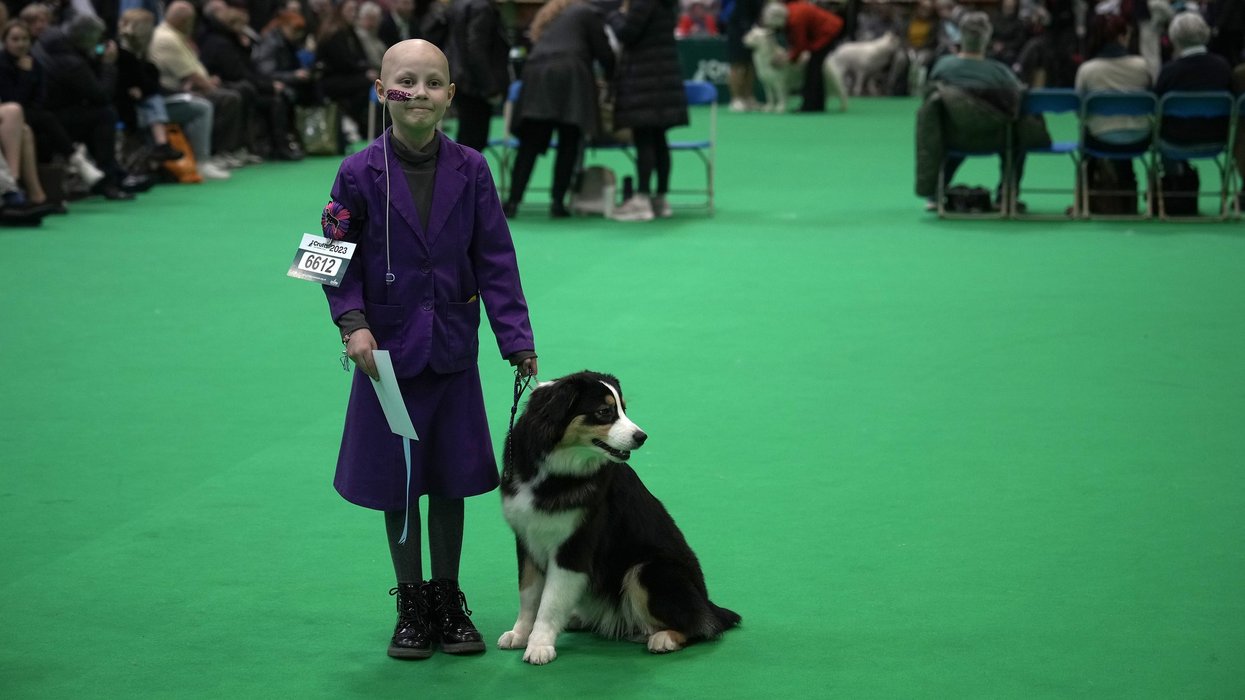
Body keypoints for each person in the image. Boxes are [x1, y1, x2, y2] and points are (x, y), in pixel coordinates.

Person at [320, 38, 537, 660]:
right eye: (405, 81)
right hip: (383, 357)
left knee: (449, 479)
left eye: (433, 82)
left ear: (450, 95)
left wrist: (516, 338)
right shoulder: (356, 172)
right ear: (380, 89)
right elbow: (333, 260)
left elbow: (496, 259)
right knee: (399, 482)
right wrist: (352, 323)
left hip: (452, 353)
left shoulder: (473, 169)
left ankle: (448, 597)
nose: (418, 92)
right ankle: (410, 601)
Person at [502, 0, 614, 219]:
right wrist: (611, 78)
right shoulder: (586, 12)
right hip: (570, 75)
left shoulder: (549, 15)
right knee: (569, 141)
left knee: (530, 144)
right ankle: (557, 203)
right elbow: (604, 51)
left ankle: (512, 201)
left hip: (536, 74)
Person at [921, 11, 1025, 210]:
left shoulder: (943, 66)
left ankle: (935, 194)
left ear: (961, 36)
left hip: (954, 137)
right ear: (986, 38)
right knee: (1017, 144)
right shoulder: (1000, 72)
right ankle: (1006, 195)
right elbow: (1020, 100)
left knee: (954, 135)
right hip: (996, 138)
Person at [32, 12, 141, 200]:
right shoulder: (71, 64)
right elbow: (102, 96)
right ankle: (109, 177)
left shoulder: (50, 40)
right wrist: (108, 65)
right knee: (105, 114)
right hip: (50, 119)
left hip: (49, 111)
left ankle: (113, 173)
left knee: (96, 115)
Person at [607, 0, 689, 221]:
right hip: (663, 76)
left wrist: (614, 15)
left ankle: (642, 199)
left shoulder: (644, 3)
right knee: (659, 139)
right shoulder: (666, 4)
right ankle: (660, 199)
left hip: (646, 79)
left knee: (644, 138)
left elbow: (627, 33)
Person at [149, 1, 247, 171]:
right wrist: (209, 86)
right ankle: (212, 154)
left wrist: (208, 81)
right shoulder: (167, 38)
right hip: (174, 92)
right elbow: (189, 74)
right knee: (226, 99)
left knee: (238, 92)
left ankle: (228, 150)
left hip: (188, 87)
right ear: (184, 21)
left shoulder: (176, 35)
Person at [1075, 12, 1152, 205]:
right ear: (1122, 36)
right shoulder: (1142, 66)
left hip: (1099, 140)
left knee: (1088, 132)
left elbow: (1079, 111)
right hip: (1140, 139)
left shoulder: (1087, 70)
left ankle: (1084, 199)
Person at [444, 0, 510, 152]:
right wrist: (490, 88)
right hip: (476, 85)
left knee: (464, 141)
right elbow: (476, 49)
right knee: (473, 144)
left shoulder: (458, 5)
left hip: (459, 78)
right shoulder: (482, 7)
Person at [766, 0, 844, 113]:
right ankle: (817, 104)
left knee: (813, 69)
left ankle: (809, 105)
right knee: (815, 68)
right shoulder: (790, 11)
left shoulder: (795, 20)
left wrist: (788, 58)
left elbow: (800, 45)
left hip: (829, 31)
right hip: (825, 29)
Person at [724, 0, 762, 111]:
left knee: (750, 65)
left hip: (752, 32)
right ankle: (736, 99)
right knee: (737, 65)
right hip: (738, 32)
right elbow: (741, 14)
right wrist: (747, 30)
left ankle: (749, 97)